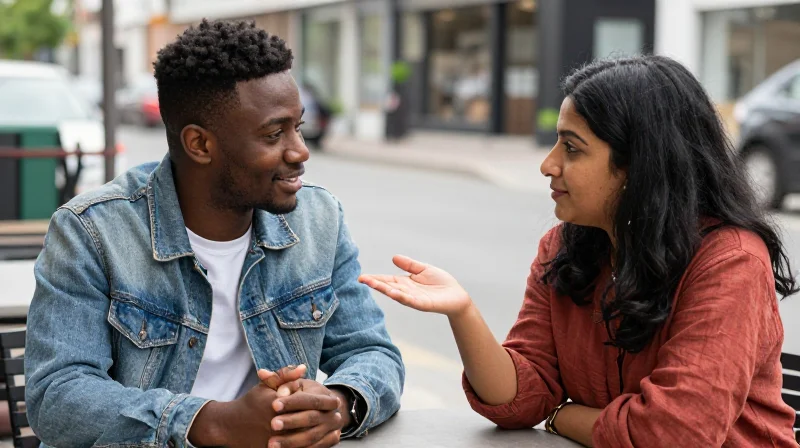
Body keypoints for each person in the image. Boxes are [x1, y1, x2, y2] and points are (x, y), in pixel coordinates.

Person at [359, 55, 798, 447]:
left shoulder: (730, 260)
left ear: (637, 166)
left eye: (571, 148)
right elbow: (521, 400)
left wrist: (562, 416)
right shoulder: (566, 247)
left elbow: (674, 434)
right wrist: (463, 313)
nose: (548, 164)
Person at [25, 19, 404, 448]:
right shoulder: (91, 232)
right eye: (274, 134)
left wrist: (336, 405)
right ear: (200, 145)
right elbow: (57, 396)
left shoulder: (319, 219)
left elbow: (372, 352)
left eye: (297, 127)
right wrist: (213, 423)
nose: (300, 151)